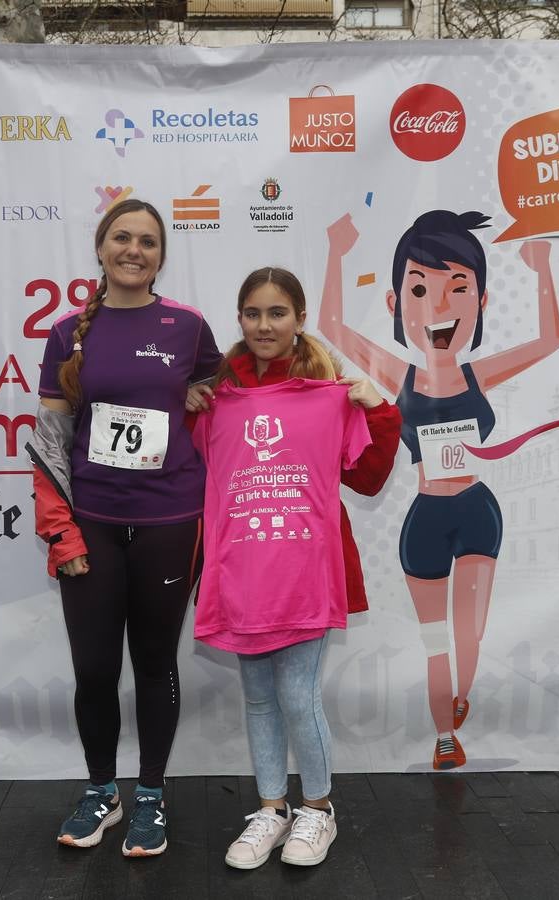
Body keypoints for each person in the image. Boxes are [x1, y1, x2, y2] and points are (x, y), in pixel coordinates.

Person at [321, 209, 559, 770]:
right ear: (394, 304)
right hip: (426, 519)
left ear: (480, 302)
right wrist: (336, 253)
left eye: (459, 288)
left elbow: (551, 338)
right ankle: (444, 737)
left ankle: (460, 697)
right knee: (436, 642)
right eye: (420, 288)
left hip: (477, 511)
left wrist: (543, 267)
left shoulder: (480, 375)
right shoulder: (397, 374)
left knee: (468, 635)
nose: (440, 305)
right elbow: (333, 328)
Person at [189, 267, 399, 869]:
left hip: (305, 573)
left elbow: (369, 475)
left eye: (277, 312)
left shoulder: (328, 393)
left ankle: (320, 810)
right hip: (242, 573)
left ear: (300, 319)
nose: (263, 325)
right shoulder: (217, 399)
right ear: (239, 319)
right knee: (258, 698)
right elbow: (176, 467)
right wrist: (185, 408)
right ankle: (271, 809)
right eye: (252, 313)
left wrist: (377, 408)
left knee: (297, 694)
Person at [29, 198, 221, 857]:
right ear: (101, 247)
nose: (133, 249)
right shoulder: (66, 334)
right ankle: (100, 789)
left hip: (171, 520)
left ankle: (151, 796)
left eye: (147, 241)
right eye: (121, 238)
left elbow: (228, 396)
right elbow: (52, 438)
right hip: (95, 525)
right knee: (93, 668)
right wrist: (61, 530)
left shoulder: (188, 328)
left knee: (154, 661)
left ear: (161, 256)